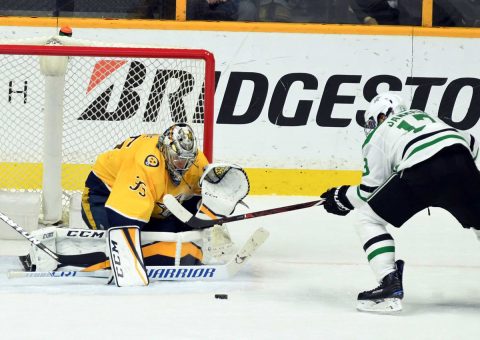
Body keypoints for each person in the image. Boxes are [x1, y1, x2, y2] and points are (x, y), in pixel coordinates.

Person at [320, 92, 480, 313]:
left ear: (383, 115)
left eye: (371, 121)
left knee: (367, 218)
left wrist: (341, 197)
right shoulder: (427, 117)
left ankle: (388, 284)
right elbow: (471, 142)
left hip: (423, 172)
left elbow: (368, 191)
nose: (371, 126)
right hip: (462, 162)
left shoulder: (378, 135)